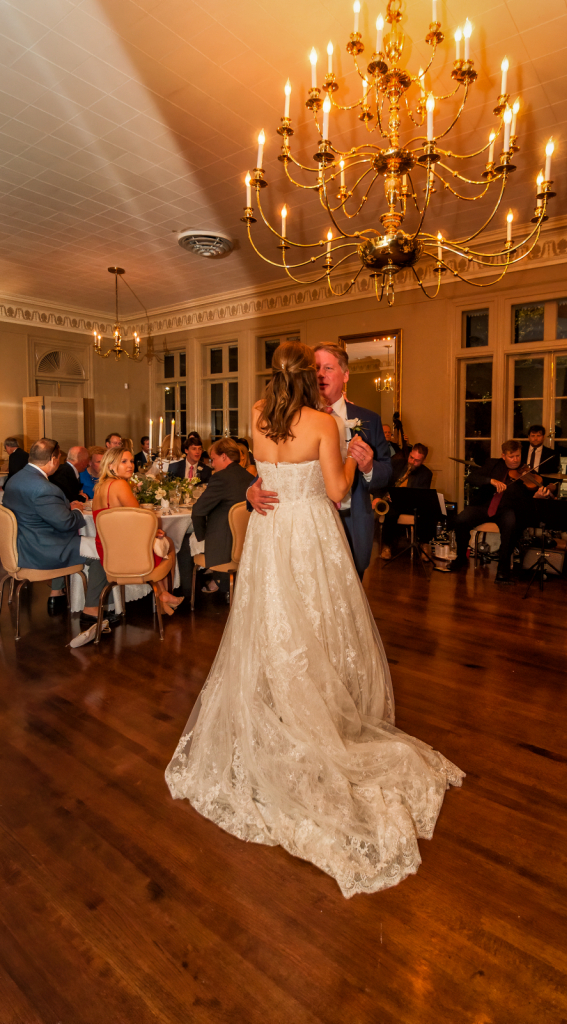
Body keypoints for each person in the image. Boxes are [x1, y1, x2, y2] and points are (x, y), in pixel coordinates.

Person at [165, 341, 463, 898]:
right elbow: (338, 490)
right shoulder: (324, 423)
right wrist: (352, 454)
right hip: (309, 535)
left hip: (272, 534)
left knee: (269, 621)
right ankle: (316, 713)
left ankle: (280, 709)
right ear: (311, 378)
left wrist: (258, 485)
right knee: (317, 625)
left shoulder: (256, 412)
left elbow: (263, 467)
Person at [247, 342, 392, 578]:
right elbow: (273, 472)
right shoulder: (310, 420)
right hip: (305, 526)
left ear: (345, 375)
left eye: (328, 368)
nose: (320, 375)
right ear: (305, 373)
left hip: (352, 520)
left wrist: (367, 466)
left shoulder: (369, 419)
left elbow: (387, 472)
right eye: (316, 368)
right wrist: (250, 491)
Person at [2, 437, 118, 625]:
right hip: (44, 549)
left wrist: (65, 508)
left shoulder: (16, 479)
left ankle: (57, 594)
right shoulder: (44, 488)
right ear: (53, 460)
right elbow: (66, 524)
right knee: (104, 550)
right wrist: (77, 510)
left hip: (23, 544)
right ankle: (92, 611)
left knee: (95, 544)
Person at [92, 447, 183, 616]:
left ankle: (163, 596)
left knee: (155, 542)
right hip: (128, 554)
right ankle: (164, 595)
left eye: (131, 461)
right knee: (168, 543)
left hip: (109, 553)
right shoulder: (119, 484)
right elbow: (142, 520)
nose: (130, 465)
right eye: (124, 462)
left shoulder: (100, 488)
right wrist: (155, 531)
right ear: (111, 466)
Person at [451, 439, 553, 584]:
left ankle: (502, 570)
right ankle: (461, 557)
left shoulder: (527, 472)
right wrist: (490, 481)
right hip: (484, 506)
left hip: (507, 509)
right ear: (503, 455)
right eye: (511, 457)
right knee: (461, 520)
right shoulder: (492, 464)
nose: (515, 460)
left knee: (511, 525)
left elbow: (529, 498)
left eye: (517, 456)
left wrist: (538, 495)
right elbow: (472, 478)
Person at [190, 438, 255, 597]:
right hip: (246, 543)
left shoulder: (220, 477)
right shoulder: (248, 477)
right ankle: (222, 583)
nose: (212, 464)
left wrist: (202, 536)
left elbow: (198, 511)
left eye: (213, 459)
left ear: (224, 456)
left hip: (225, 546)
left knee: (186, 545)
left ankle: (188, 596)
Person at [380, 443, 434, 559]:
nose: (412, 462)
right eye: (411, 458)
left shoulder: (426, 474)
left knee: (429, 512)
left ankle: (424, 543)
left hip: (412, 504)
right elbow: (383, 482)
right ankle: (387, 546)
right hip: (393, 502)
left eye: (417, 461)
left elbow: (422, 495)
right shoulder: (396, 464)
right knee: (391, 513)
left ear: (423, 461)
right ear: (409, 454)